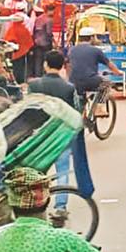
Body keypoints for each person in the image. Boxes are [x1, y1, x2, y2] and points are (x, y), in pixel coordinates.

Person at [27, 51, 95, 219]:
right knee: (62, 171)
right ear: (62, 66)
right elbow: (76, 111)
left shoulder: (34, 86)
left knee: (37, 172)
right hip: (61, 137)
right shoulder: (68, 88)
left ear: (45, 64)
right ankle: (60, 207)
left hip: (39, 137)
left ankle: (37, 206)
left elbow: (27, 110)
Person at [68, 26, 123, 96]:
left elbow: (68, 66)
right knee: (107, 84)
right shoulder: (96, 50)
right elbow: (109, 64)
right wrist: (118, 72)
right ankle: (98, 104)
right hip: (91, 80)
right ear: (91, 38)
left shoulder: (72, 50)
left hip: (73, 81)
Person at [4, 10, 33, 84]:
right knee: (22, 68)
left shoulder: (11, 29)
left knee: (14, 68)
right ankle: (21, 81)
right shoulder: (24, 29)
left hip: (13, 53)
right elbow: (29, 41)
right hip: (23, 53)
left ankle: (14, 81)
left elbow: (8, 40)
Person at [30, 4, 54, 78]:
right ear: (49, 11)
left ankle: (37, 77)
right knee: (45, 61)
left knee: (37, 61)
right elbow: (48, 32)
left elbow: (34, 30)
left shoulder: (38, 18)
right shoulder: (49, 20)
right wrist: (53, 41)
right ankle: (44, 77)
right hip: (45, 43)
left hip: (36, 42)